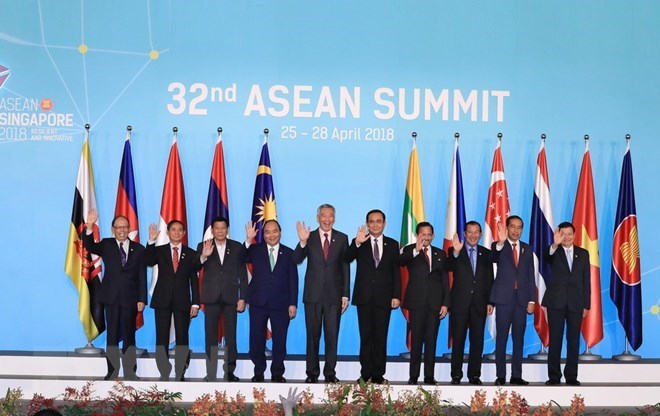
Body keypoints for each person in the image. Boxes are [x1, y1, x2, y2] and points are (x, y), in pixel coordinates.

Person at [83, 209, 146, 381]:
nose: (122, 230)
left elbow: (142, 275)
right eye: (118, 227)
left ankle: (130, 371)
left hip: (131, 299)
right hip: (111, 298)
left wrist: (142, 299)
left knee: (129, 336)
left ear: (129, 228)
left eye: (125, 227)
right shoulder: (107, 244)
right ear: (113, 229)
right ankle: (112, 371)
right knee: (112, 336)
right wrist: (89, 225)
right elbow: (89, 246)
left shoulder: (139, 249)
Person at [294, 204, 350, 384]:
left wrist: (345, 294)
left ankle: (330, 373)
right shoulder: (308, 237)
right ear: (317, 217)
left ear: (335, 217)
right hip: (313, 295)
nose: (327, 219)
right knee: (313, 336)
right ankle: (312, 373)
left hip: (334, 296)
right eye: (323, 216)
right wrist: (302, 242)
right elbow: (296, 259)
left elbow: (345, 267)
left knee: (331, 336)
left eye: (330, 216)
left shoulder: (342, 238)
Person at [345, 209, 401, 384]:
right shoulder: (361, 242)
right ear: (367, 224)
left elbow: (396, 272)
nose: (375, 224)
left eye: (378, 221)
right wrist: (357, 243)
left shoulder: (392, 244)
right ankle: (365, 373)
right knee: (366, 337)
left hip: (385, 298)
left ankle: (378, 374)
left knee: (380, 337)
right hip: (364, 297)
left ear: (384, 223)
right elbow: (346, 258)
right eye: (372, 221)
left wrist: (396, 295)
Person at [244, 219, 299, 383]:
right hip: (258, 302)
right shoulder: (255, 249)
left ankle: (277, 372)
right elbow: (240, 257)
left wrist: (293, 303)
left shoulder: (289, 253)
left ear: (280, 233)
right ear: (263, 234)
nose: (271, 235)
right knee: (256, 339)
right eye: (267, 232)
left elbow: (293, 279)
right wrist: (248, 240)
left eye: (274, 231)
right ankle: (258, 372)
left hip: (281, 303)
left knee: (280, 340)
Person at [146, 220, 201, 381]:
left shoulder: (191, 254)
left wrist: (195, 302)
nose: (176, 233)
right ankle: (164, 371)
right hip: (162, 299)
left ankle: (181, 372)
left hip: (183, 300)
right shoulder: (160, 250)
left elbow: (194, 279)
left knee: (183, 337)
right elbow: (148, 261)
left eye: (180, 230)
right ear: (168, 232)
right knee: (161, 337)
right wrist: (151, 241)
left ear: (184, 233)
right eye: (173, 230)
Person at [196, 217, 247, 382]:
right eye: (216, 228)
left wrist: (243, 298)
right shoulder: (203, 246)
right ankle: (211, 372)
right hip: (211, 298)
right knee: (210, 337)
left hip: (231, 297)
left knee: (231, 336)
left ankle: (230, 372)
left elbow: (243, 274)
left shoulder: (237, 247)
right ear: (212, 230)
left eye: (223, 228)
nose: (219, 231)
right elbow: (195, 267)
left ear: (227, 229)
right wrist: (203, 256)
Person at [399, 221, 449, 385]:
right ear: (417, 235)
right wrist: (416, 250)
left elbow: (444, 281)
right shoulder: (410, 250)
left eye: (429, 234)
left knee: (431, 341)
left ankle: (429, 376)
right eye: (423, 234)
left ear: (433, 236)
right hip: (417, 303)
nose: (426, 237)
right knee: (416, 341)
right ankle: (413, 376)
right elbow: (400, 261)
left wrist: (445, 303)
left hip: (435, 304)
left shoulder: (440, 253)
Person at [489, 215, 536, 386]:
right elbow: (492, 258)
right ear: (507, 228)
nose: (516, 230)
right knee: (501, 337)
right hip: (503, 299)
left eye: (519, 227)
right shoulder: (499, 246)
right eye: (513, 227)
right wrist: (501, 243)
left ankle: (516, 375)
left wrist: (532, 300)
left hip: (522, 300)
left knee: (519, 338)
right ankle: (500, 375)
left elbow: (530, 275)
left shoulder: (527, 248)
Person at [543, 222, 590, 386]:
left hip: (576, 304)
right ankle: (554, 377)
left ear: (574, 235)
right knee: (555, 339)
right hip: (555, 302)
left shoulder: (583, 254)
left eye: (570, 234)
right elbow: (546, 257)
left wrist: (586, 304)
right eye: (563, 234)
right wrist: (554, 244)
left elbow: (586, 281)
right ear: (559, 235)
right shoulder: (554, 251)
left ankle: (571, 376)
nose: (567, 237)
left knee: (573, 340)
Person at [447, 220, 494, 385]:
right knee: (458, 341)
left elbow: (490, 279)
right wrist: (456, 253)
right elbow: (449, 267)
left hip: (480, 304)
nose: (473, 235)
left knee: (477, 341)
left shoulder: (486, 253)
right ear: (465, 234)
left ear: (480, 235)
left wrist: (490, 302)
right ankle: (456, 375)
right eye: (470, 232)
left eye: (476, 232)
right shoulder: (455, 251)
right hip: (459, 303)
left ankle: (474, 375)